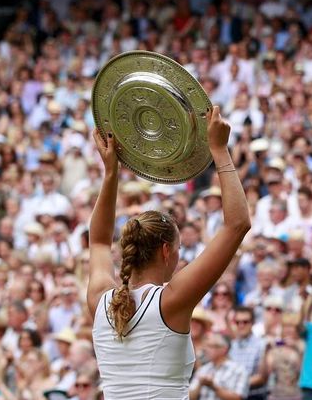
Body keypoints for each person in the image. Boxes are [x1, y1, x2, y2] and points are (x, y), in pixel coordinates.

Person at [87, 106, 251, 400]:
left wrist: (111, 172)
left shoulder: (100, 300)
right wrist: (220, 150)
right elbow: (238, 225)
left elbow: (98, 241)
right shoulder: (171, 300)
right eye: (177, 249)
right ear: (166, 251)